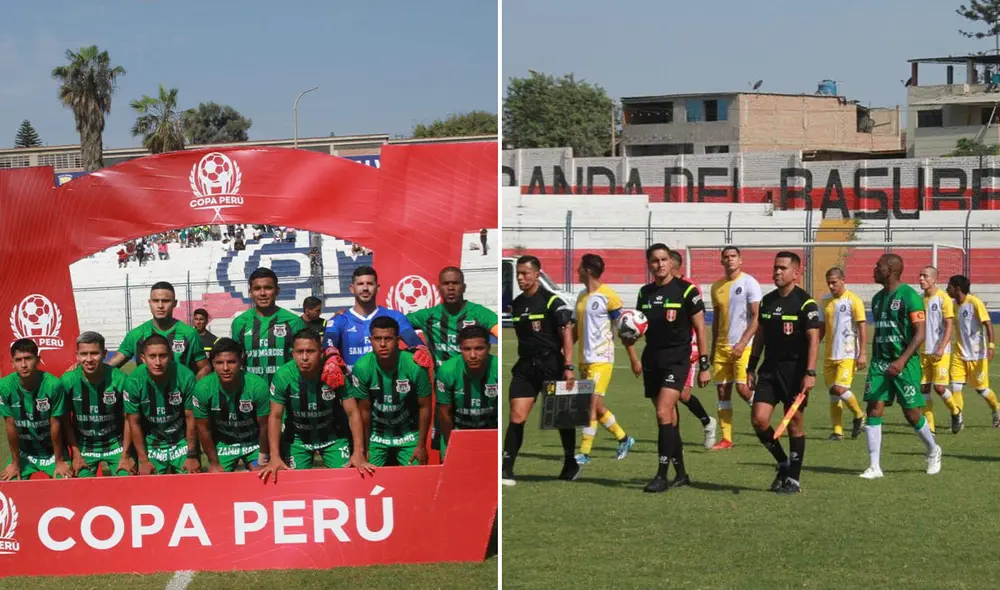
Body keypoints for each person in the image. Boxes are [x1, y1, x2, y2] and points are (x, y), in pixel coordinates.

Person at [630, 244, 710, 493]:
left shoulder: (686, 291)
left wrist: (705, 363)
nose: (660, 264)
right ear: (649, 264)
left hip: (678, 358)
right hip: (652, 358)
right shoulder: (645, 293)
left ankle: (661, 475)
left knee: (663, 413)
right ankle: (682, 473)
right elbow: (638, 327)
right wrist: (631, 346)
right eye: (655, 261)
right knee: (670, 419)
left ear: (670, 262)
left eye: (664, 259)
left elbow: (700, 328)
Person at [860, 254, 941, 479]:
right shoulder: (877, 299)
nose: (874, 269)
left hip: (905, 362)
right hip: (880, 363)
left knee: (912, 413)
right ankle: (874, 466)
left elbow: (920, 334)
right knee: (874, 408)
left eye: (879, 266)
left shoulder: (909, 297)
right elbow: (881, 332)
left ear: (891, 270)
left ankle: (933, 450)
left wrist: (902, 360)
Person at [746, 252, 821, 494]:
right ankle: (782, 461)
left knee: (795, 424)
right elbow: (760, 336)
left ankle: (794, 480)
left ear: (796, 273)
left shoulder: (806, 304)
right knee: (759, 420)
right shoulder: (767, 301)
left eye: (783, 268)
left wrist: (810, 372)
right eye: (775, 267)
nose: (777, 272)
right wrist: (751, 365)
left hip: (795, 371)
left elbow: (813, 340)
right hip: (769, 369)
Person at [501, 256, 579, 486]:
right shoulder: (515, 304)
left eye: (525, 273)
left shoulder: (551, 301)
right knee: (517, 416)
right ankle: (506, 468)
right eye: (518, 274)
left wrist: (568, 366)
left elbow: (566, 332)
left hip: (552, 365)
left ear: (537, 274)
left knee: (561, 417)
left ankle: (570, 462)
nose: (521, 277)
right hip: (526, 366)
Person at [259, 330, 369, 478]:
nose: (304, 357)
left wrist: (358, 452)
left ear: (321, 352)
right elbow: (275, 416)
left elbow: (352, 412)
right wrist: (274, 456)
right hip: (298, 439)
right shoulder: (283, 376)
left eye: (310, 351)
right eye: (299, 352)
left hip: (332, 437)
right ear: (293, 353)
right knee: (295, 484)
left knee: (348, 479)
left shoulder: (335, 372)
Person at [570, 254, 635, 464]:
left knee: (590, 403)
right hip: (584, 359)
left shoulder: (609, 296)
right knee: (597, 407)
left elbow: (623, 330)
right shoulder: (580, 297)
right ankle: (624, 439)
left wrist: (634, 358)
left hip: (602, 358)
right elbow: (574, 331)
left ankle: (584, 452)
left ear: (588, 270)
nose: (577, 271)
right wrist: (565, 354)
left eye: (580, 267)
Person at [348, 317, 433, 466]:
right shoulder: (362, 367)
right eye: (377, 339)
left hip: (408, 435)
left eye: (388, 338)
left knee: (416, 481)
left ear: (398, 340)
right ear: (370, 340)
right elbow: (364, 411)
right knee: (367, 478)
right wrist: (364, 448)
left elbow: (425, 406)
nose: (382, 344)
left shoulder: (415, 366)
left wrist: (421, 445)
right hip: (377, 436)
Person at [323, 266, 426, 374]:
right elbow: (329, 341)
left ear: (378, 288)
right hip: (352, 387)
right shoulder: (339, 320)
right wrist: (331, 356)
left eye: (370, 284)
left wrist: (420, 350)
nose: (365, 288)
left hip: (388, 385)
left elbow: (413, 340)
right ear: (352, 288)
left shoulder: (395, 316)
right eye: (360, 284)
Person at [123, 334, 200, 475]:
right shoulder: (134, 381)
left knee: (192, 485)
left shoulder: (185, 376)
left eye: (163, 356)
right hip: (152, 443)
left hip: (181, 442)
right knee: (151, 491)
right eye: (152, 356)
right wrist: (144, 460)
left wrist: (192, 455)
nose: (158, 362)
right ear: (143, 358)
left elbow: (191, 418)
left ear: (170, 355)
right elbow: (134, 423)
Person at [709, 246, 762, 450]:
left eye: (733, 256)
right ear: (721, 261)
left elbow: (757, 317)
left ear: (740, 260)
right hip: (722, 347)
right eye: (726, 257)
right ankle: (727, 438)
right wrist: (714, 348)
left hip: (744, 345)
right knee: (722, 391)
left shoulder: (750, 283)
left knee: (743, 388)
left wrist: (742, 342)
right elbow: (716, 320)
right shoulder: (716, 287)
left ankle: (763, 420)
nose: (730, 260)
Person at [61, 332, 134, 477]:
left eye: (94, 353)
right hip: (84, 447)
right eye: (84, 354)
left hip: (116, 445)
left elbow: (129, 419)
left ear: (105, 354)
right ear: (77, 355)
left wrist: (126, 455)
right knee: (80, 489)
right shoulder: (68, 380)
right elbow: (64, 421)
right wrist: (75, 454)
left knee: (127, 483)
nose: (89, 359)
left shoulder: (120, 379)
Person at [193, 338, 271, 472]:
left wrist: (263, 460)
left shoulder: (257, 386)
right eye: (219, 363)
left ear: (240, 361)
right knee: (217, 483)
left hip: (253, 443)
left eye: (231, 362)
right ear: (213, 363)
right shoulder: (203, 388)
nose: (225, 368)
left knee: (263, 476)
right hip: (224, 445)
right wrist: (214, 463)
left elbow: (265, 427)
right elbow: (202, 429)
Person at [0, 339, 73, 480]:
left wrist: (59, 461)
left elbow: (55, 424)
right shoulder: (4, 386)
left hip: (51, 452)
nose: (23, 365)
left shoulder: (53, 385)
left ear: (38, 359)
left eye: (28, 358)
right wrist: (15, 463)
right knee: (10, 486)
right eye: (18, 360)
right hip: (24, 452)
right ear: (12, 363)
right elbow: (10, 425)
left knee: (66, 483)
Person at [669, 249, 718, 449]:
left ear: (674, 266)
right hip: (669, 349)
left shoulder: (689, 287)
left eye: (665, 263)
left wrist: (703, 360)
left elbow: (697, 321)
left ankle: (708, 422)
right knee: (669, 394)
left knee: (682, 394)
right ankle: (673, 437)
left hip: (689, 347)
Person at [109, 282, 210, 379]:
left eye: (166, 301)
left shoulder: (190, 334)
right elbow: (111, 366)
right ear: (150, 303)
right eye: (156, 301)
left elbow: (205, 367)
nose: (160, 306)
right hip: (147, 395)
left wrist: (193, 389)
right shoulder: (136, 334)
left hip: (179, 395)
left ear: (174, 303)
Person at [406, 267, 499, 368]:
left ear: (464, 287)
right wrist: (415, 346)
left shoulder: (479, 314)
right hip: (440, 381)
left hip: (472, 380)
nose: (451, 288)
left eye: (455, 283)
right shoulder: (427, 316)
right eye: (446, 284)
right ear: (439, 288)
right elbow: (395, 322)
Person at [231, 267, 307, 387]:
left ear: (277, 291)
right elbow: (234, 360)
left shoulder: (294, 322)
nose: (262, 293)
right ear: (250, 292)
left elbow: (304, 359)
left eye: (268, 288)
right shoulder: (239, 323)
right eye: (257, 289)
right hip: (251, 393)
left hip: (286, 392)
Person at [819, 267, 867, 441]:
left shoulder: (853, 300)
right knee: (833, 393)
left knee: (840, 389)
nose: (831, 286)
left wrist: (862, 353)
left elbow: (862, 327)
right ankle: (837, 431)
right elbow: (821, 328)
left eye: (834, 282)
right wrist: (812, 346)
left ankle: (859, 415)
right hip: (829, 354)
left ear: (842, 280)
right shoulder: (824, 301)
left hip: (848, 354)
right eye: (829, 283)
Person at [436, 325, 499, 460]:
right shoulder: (447, 371)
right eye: (467, 349)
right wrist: (452, 445)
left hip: (490, 432)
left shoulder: (497, 368)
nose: (473, 355)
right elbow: (444, 413)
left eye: (479, 348)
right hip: (458, 431)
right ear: (460, 349)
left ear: (488, 347)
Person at [946, 274, 1000, 427]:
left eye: (949, 286)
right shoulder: (952, 304)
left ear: (957, 288)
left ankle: (996, 408)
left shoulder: (975, 303)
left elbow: (988, 325)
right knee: (955, 386)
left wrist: (990, 346)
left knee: (981, 389)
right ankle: (958, 418)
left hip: (977, 354)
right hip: (959, 352)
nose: (947, 289)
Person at [919, 267, 963, 434]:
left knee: (939, 387)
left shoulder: (943, 299)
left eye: (925, 276)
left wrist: (942, 347)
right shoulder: (919, 299)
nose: (921, 279)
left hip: (940, 352)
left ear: (934, 279)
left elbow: (949, 325)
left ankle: (955, 411)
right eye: (920, 276)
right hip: (923, 352)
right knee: (924, 389)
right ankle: (930, 426)